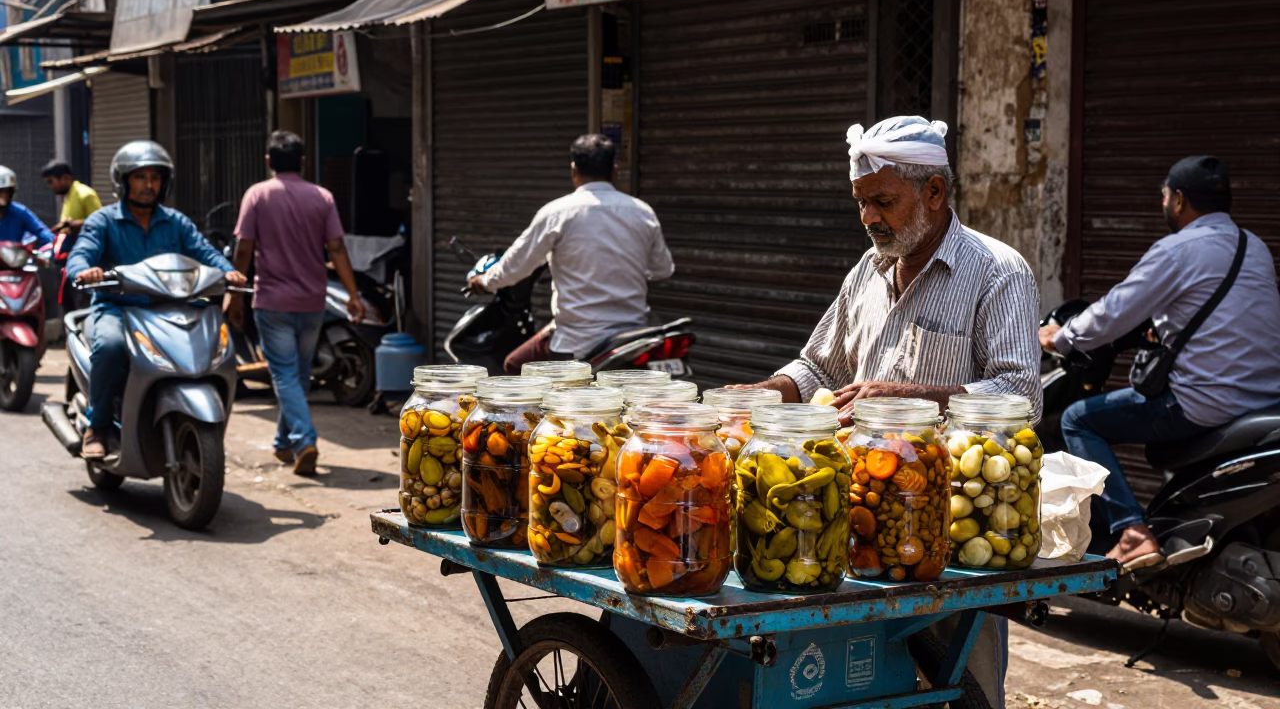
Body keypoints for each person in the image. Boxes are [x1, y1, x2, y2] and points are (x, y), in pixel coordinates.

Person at [738, 116, 1044, 707]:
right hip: (853, 514)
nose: (870, 218)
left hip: (952, 526)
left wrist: (910, 397)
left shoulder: (997, 271)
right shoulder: (867, 270)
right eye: (861, 203)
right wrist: (761, 392)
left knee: (961, 684)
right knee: (851, 679)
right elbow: (819, 368)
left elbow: (1023, 395)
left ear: (934, 192)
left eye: (883, 201)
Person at [1039, 156, 1280, 570]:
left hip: (1204, 406)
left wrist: (1060, 339)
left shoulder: (1178, 249)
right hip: (1263, 402)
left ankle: (1132, 532)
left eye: (1165, 196)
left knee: (1079, 419)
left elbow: (1114, 311)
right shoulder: (1251, 245)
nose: (1163, 203)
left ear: (1180, 200)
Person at [66, 141, 246, 459]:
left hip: (170, 309)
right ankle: (99, 426)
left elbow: (204, 252)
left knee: (213, 343)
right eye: (140, 177)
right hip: (117, 308)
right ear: (123, 181)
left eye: (155, 178)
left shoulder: (176, 221)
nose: (149, 185)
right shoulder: (103, 221)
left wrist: (228, 272)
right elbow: (80, 255)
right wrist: (85, 271)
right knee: (109, 347)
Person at [467, 134, 674, 374]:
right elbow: (663, 269)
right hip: (633, 335)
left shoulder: (558, 213)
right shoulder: (643, 212)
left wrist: (484, 281)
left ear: (573, 170)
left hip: (579, 340)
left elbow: (515, 266)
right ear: (614, 170)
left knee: (515, 365)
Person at [224, 130, 363, 476]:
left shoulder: (257, 195)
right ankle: (283, 443)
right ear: (302, 161)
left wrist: (233, 293)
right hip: (313, 300)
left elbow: (243, 249)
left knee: (285, 375)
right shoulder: (322, 197)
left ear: (269, 161)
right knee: (298, 373)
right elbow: (337, 248)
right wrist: (354, 295)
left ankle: (304, 440)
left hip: (272, 302)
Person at [42, 159, 102, 311]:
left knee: (80, 305)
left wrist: (74, 225)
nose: (50, 187)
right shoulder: (69, 196)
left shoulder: (85, 194)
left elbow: (100, 224)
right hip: (67, 262)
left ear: (65, 178)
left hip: (84, 262)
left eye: (51, 182)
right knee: (68, 304)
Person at [0, 165, 55, 248]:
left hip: (13, 259)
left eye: (8, 191)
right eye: (1, 191)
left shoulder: (19, 212)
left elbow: (41, 231)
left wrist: (52, 242)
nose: (4, 196)